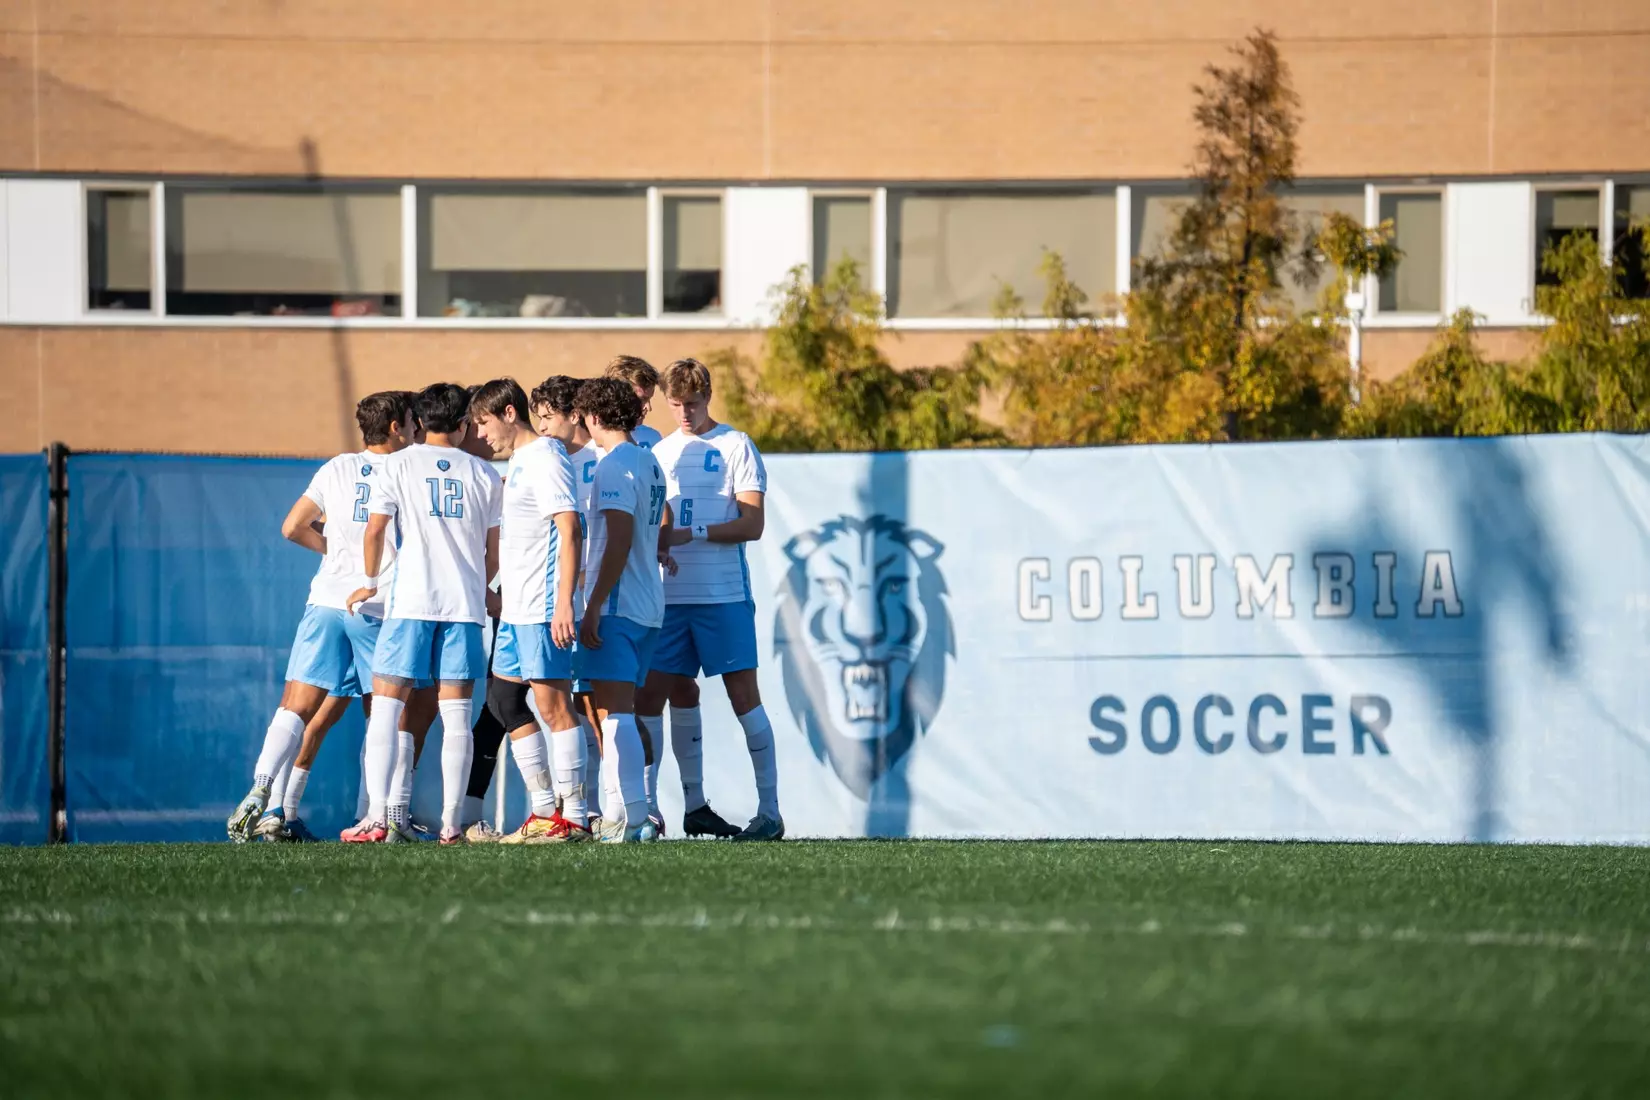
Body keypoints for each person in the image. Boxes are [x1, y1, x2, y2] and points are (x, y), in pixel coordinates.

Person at [227, 391, 416, 843]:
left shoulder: (336, 467)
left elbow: (292, 526)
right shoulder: (408, 468)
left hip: (327, 601)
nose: (416, 429)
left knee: (296, 707)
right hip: (378, 606)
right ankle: (380, 817)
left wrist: (336, 554)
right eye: (411, 421)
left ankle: (263, 790)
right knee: (386, 714)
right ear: (394, 426)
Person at [343, 382, 504, 845]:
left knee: (387, 709)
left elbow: (374, 532)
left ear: (419, 420)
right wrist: (481, 585)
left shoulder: (396, 463)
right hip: (463, 607)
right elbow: (494, 552)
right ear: (463, 423)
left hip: (410, 601)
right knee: (456, 717)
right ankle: (453, 824)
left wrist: (371, 581)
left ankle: (377, 816)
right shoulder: (484, 473)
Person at [640, 358, 783, 842]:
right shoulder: (660, 451)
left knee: (745, 701)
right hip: (669, 600)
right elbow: (657, 522)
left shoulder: (736, 443)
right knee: (651, 699)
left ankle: (770, 813)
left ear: (708, 397)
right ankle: (657, 811)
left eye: (693, 404)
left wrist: (691, 533)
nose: (684, 413)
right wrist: (662, 542)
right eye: (675, 404)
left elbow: (753, 524)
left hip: (724, 598)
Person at [469, 378, 590, 843]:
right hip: (517, 609)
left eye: (483, 423)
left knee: (555, 706)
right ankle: (543, 811)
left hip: (542, 606)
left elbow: (569, 525)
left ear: (507, 413)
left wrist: (563, 602)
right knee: (503, 701)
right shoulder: (521, 460)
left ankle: (575, 815)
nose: (481, 435)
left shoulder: (546, 456)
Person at [573, 377, 670, 843]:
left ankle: (632, 819)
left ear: (594, 417)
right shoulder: (650, 461)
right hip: (649, 603)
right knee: (621, 713)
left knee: (616, 716)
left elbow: (619, 540)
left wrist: (592, 605)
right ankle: (630, 816)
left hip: (619, 604)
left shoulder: (612, 466)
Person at [604, 355, 662, 449]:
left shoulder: (654, 439)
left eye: (648, 399)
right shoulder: (589, 445)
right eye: (641, 399)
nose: (648, 407)